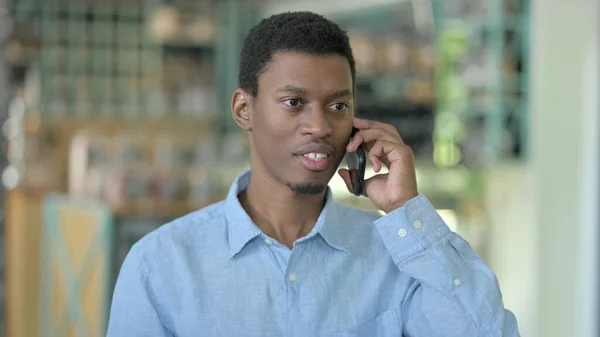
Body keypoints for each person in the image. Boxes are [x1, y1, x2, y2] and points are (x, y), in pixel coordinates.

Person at [107, 11, 519, 337]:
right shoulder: (160, 265)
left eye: (338, 106)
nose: (320, 126)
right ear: (243, 110)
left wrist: (406, 210)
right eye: (293, 102)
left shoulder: (397, 258)